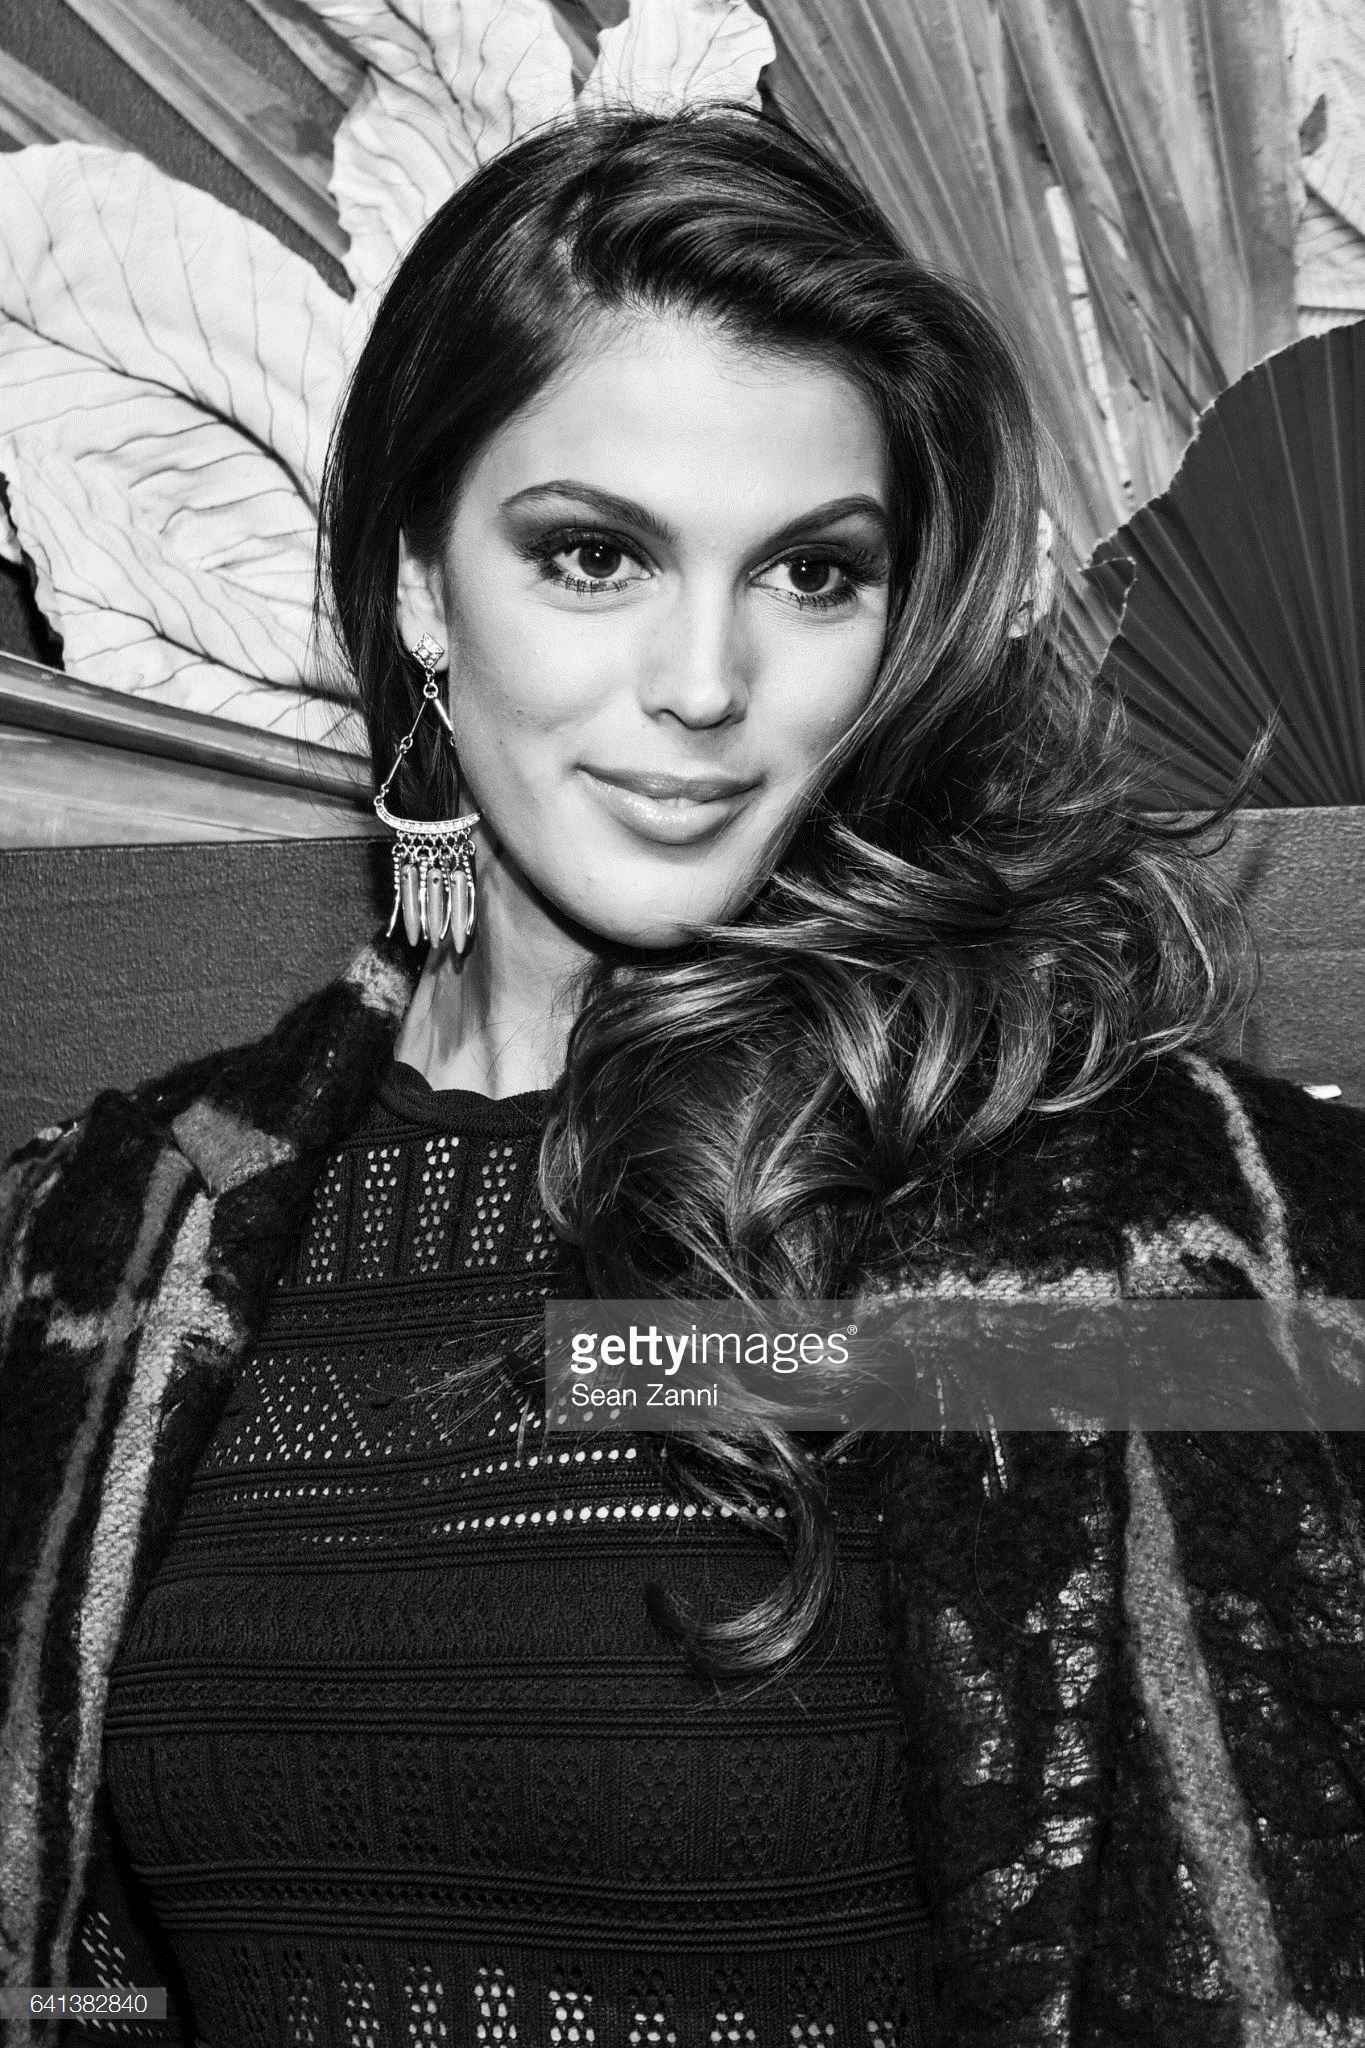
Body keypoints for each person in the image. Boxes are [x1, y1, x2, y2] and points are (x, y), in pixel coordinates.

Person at [2, 100, 1364, 2048]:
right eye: (592, 555)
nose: (707, 684)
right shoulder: (123, 1228)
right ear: (418, 583)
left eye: (811, 574)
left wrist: (668, 1352)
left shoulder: (1102, 1206)